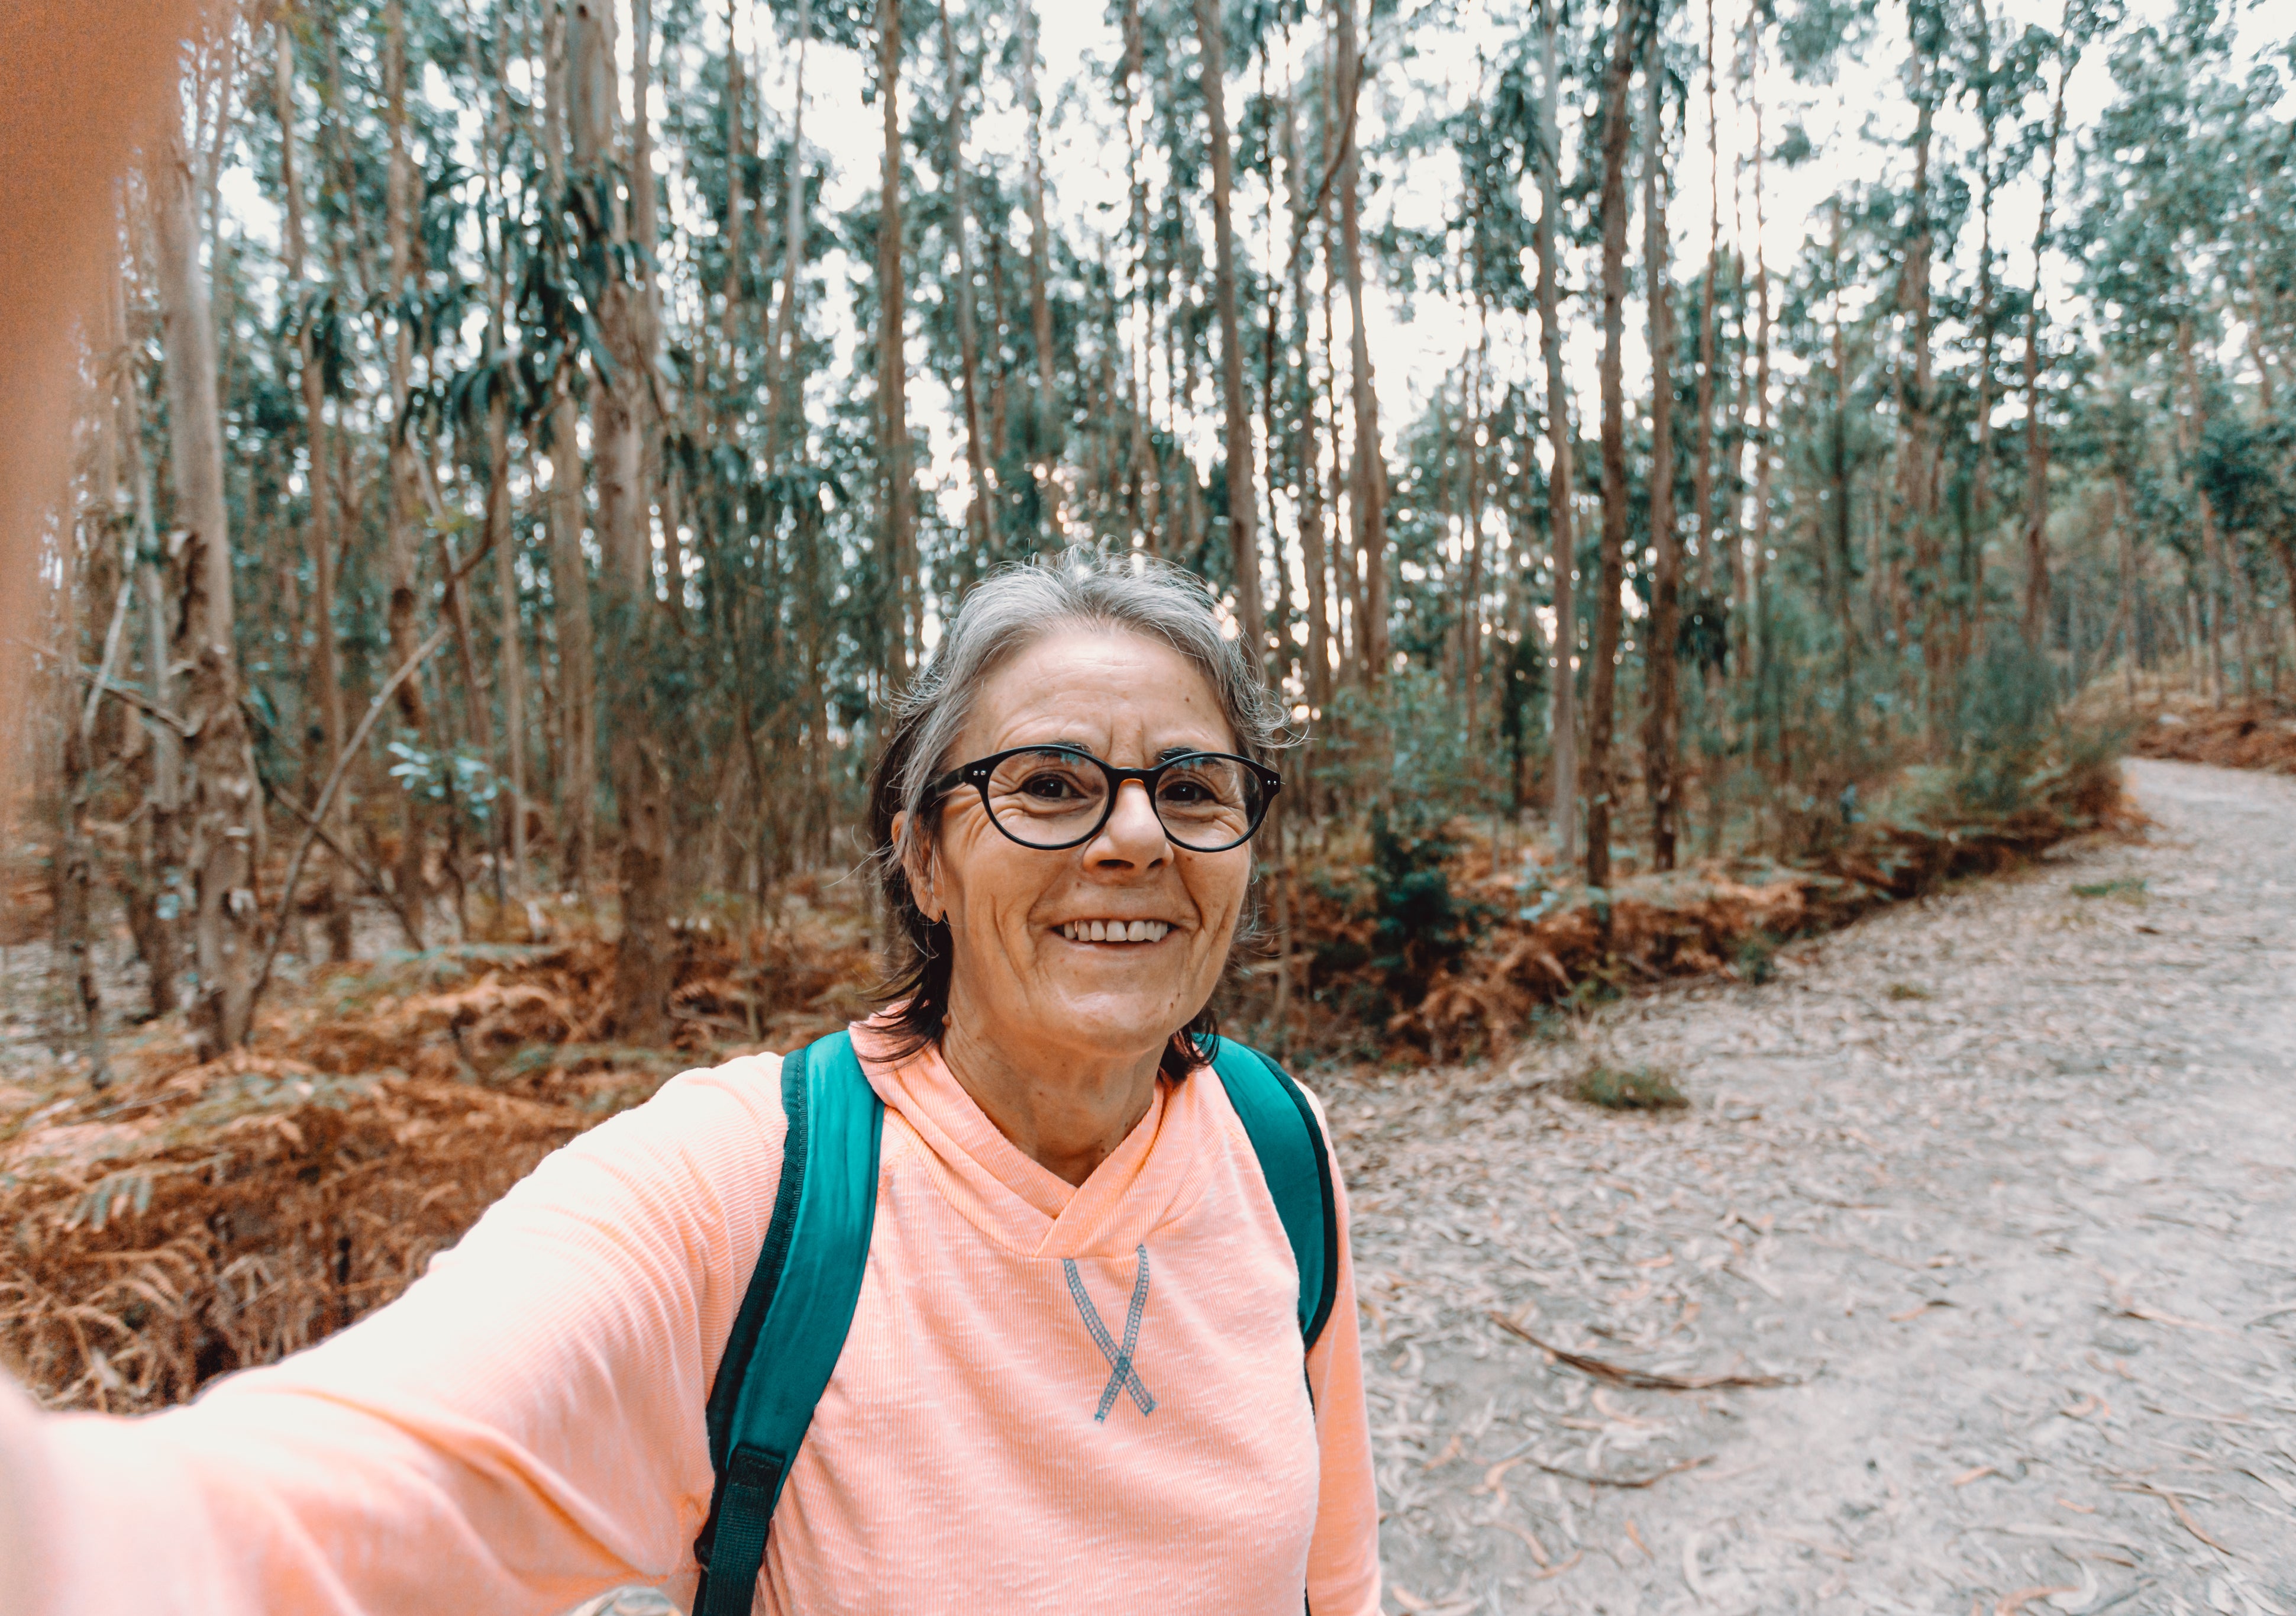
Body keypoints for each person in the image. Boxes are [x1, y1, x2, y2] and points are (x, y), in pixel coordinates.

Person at [0, 548, 1381, 1615]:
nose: (1135, 836)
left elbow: (1336, 1578)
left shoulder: (1273, 1141)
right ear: (923, 858)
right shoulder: (746, 1184)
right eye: (1048, 782)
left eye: (1192, 788)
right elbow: (312, 1515)